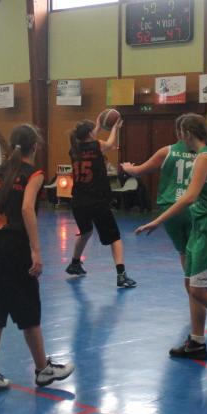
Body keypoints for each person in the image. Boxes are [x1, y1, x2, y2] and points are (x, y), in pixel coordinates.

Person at [0, 124, 74, 394]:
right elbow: (27, 208)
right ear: (35, 147)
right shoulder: (33, 173)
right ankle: (42, 370)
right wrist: (36, 251)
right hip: (14, 247)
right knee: (28, 310)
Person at [135, 114, 207, 358]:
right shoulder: (205, 156)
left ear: (186, 133)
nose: (178, 137)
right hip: (202, 225)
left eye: (179, 132)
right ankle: (197, 342)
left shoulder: (204, 158)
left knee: (199, 290)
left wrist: (157, 221)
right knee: (191, 284)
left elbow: (189, 197)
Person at [121, 115, 207, 359]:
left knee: (187, 264)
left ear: (180, 132)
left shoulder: (167, 151)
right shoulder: (206, 154)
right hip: (197, 210)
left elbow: (137, 171)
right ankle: (204, 308)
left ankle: (199, 306)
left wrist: (128, 167)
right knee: (200, 268)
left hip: (172, 211)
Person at [65, 113, 137, 288]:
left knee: (86, 231)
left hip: (78, 200)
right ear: (90, 133)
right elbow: (111, 144)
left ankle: (75, 263)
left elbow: (88, 138)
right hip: (97, 199)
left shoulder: (74, 148)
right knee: (115, 238)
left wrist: (96, 125)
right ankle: (121, 275)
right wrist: (114, 128)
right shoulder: (96, 145)